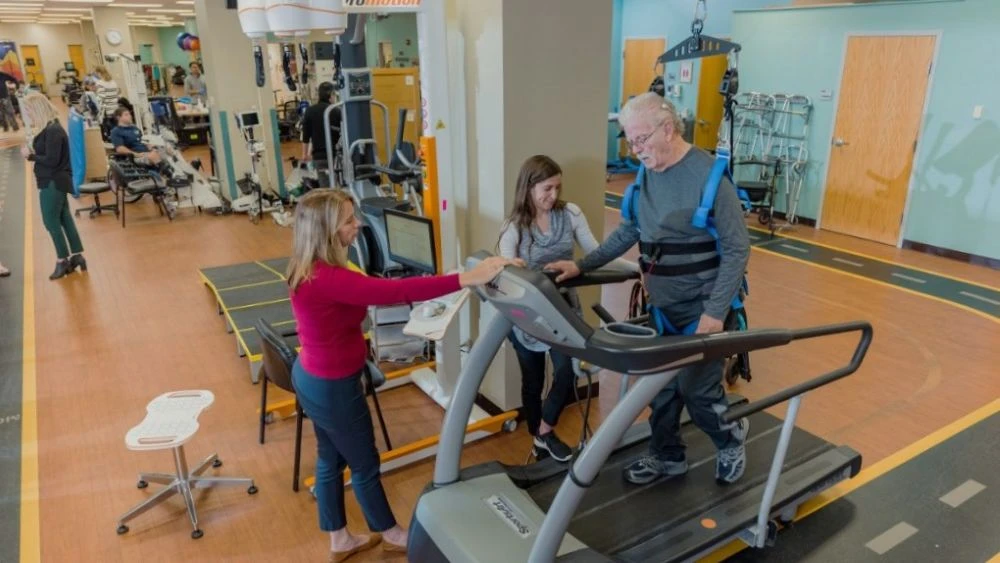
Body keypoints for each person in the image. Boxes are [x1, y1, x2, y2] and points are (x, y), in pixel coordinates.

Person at [287, 188, 521, 561]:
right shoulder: (329, 277)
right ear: (327, 230)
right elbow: (396, 291)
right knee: (364, 464)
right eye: (349, 220)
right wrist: (467, 277)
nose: (358, 225)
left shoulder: (307, 265)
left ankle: (340, 539)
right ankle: (392, 533)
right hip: (333, 385)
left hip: (311, 376)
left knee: (330, 458)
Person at [545, 92, 751, 486]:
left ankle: (729, 440)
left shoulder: (709, 177)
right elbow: (631, 230)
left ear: (668, 129)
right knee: (662, 391)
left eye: (640, 139)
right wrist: (582, 264)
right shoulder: (645, 177)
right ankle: (667, 457)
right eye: (630, 141)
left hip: (702, 309)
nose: (635, 150)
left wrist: (714, 312)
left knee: (697, 390)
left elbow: (739, 249)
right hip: (663, 307)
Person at [497, 154, 637, 462]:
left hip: (563, 311)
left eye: (557, 188)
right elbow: (503, 266)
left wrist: (637, 269)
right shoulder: (514, 227)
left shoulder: (570, 213)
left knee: (567, 371)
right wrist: (512, 265)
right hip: (527, 316)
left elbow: (597, 253)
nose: (553, 196)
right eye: (546, 188)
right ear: (529, 187)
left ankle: (544, 431)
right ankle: (539, 439)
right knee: (532, 383)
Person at [19, 92, 87, 280]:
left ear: (38, 109)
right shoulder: (51, 129)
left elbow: (51, 159)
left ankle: (62, 260)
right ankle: (77, 255)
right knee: (64, 218)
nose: (29, 115)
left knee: (51, 222)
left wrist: (30, 155)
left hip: (52, 182)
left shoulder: (53, 130)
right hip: (57, 180)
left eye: (29, 111)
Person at [300, 81, 342, 186]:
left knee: (325, 188)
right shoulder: (336, 111)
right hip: (335, 156)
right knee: (339, 185)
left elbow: (306, 136)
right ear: (331, 95)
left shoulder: (310, 111)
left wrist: (305, 154)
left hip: (319, 157)